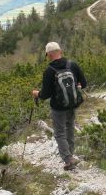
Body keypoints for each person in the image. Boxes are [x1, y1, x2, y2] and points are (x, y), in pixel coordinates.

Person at [32, 42, 87, 171]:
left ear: (49, 55)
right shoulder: (72, 65)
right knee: (70, 128)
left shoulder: (49, 71)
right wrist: (76, 87)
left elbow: (45, 94)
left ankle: (68, 160)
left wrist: (36, 93)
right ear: (60, 51)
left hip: (58, 108)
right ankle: (70, 155)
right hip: (72, 104)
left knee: (59, 133)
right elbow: (83, 83)